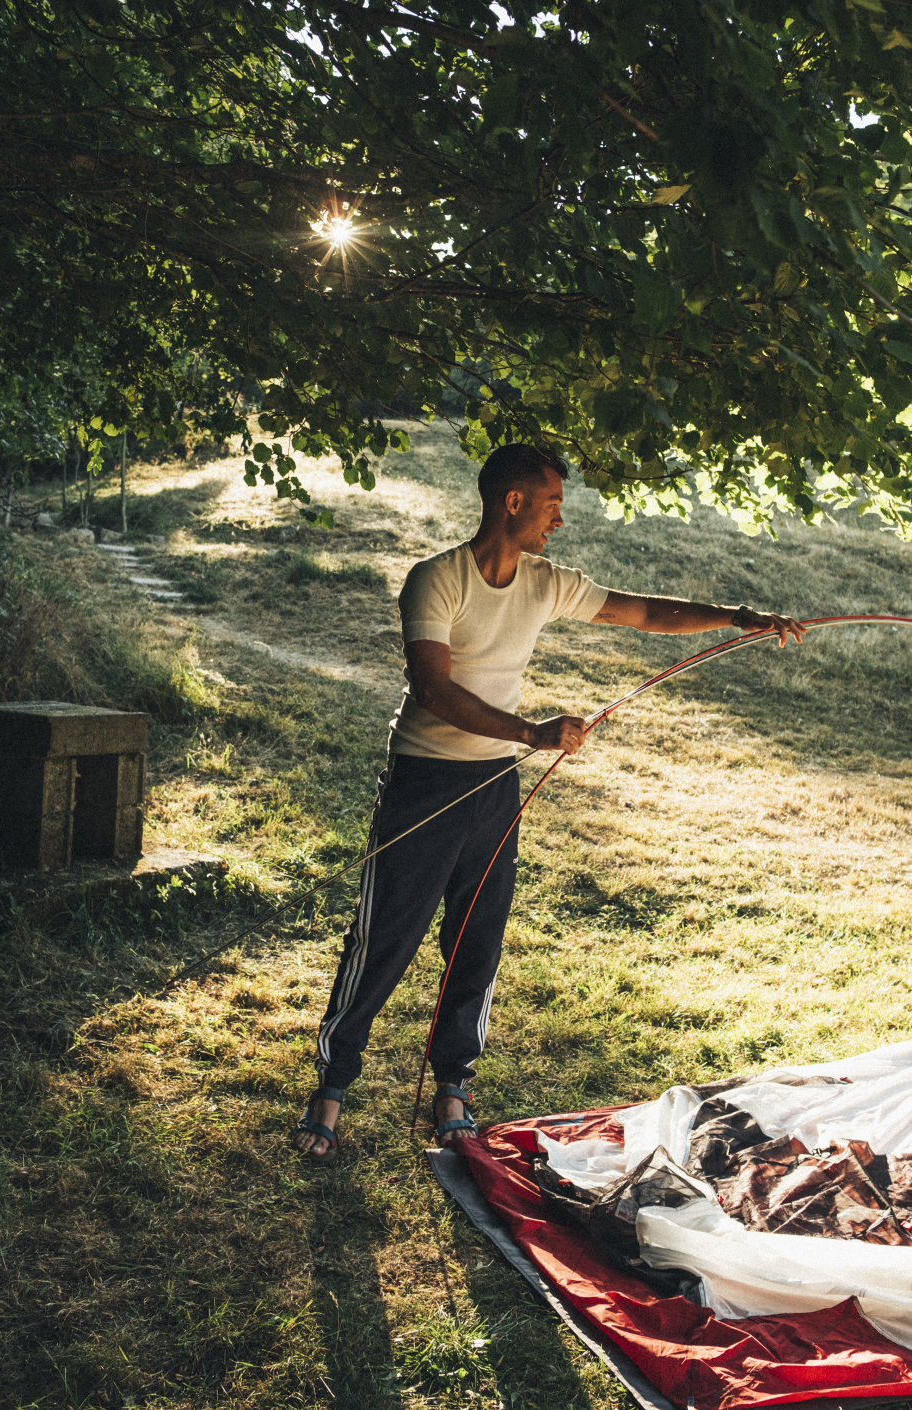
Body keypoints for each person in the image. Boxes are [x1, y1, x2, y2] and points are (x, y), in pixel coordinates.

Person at [294, 445, 804, 1160]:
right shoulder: (436, 580)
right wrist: (530, 732)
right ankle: (332, 1088)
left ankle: (453, 1087)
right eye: (552, 505)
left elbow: (644, 612)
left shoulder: (544, 582)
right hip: (424, 781)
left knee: (476, 939)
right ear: (513, 502)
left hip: (494, 787)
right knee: (385, 939)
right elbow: (433, 689)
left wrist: (737, 616)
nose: (559, 521)